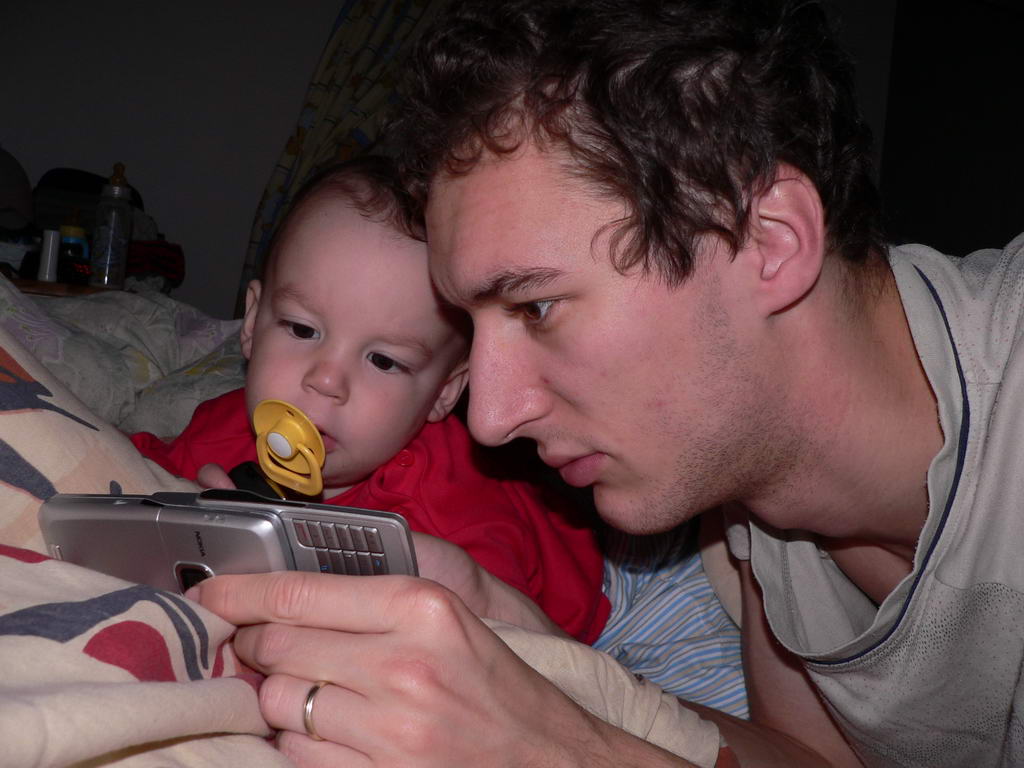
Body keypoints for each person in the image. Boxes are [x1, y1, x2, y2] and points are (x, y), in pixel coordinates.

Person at [187, 1, 1024, 766]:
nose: (489, 418)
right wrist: (540, 662)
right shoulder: (758, 505)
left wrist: (573, 755)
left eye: (538, 306)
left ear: (768, 241)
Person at [131, 154, 610, 644]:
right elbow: (130, 475)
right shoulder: (220, 429)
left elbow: (508, 648)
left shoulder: (452, 513)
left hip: (566, 577)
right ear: (252, 322)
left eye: (383, 360)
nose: (326, 380)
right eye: (302, 329)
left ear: (444, 391)